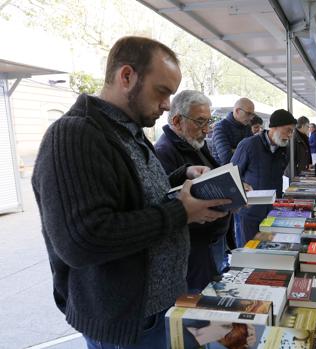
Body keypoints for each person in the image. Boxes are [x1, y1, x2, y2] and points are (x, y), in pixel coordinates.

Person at [31, 36, 232, 348]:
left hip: (159, 311)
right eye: (162, 91)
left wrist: (182, 175)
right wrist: (181, 211)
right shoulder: (75, 135)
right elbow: (83, 239)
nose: (167, 104)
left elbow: (138, 199)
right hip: (128, 325)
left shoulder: (128, 133)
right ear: (127, 76)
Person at [154, 90, 236, 291]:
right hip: (194, 251)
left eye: (209, 122)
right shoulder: (164, 152)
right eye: (200, 122)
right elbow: (169, 204)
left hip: (212, 241)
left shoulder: (195, 144)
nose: (207, 130)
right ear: (177, 121)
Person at [231, 109, 296, 246]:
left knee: (267, 252)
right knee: (248, 250)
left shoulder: (283, 149)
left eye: (292, 131)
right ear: (274, 127)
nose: (290, 135)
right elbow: (232, 175)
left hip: (272, 212)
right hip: (250, 213)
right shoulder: (248, 145)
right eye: (287, 130)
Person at [211, 97, 255, 165]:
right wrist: (245, 150)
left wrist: (234, 150)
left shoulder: (247, 128)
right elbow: (227, 159)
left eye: (252, 114)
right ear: (237, 111)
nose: (251, 118)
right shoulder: (220, 127)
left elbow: (254, 152)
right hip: (221, 171)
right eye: (248, 114)